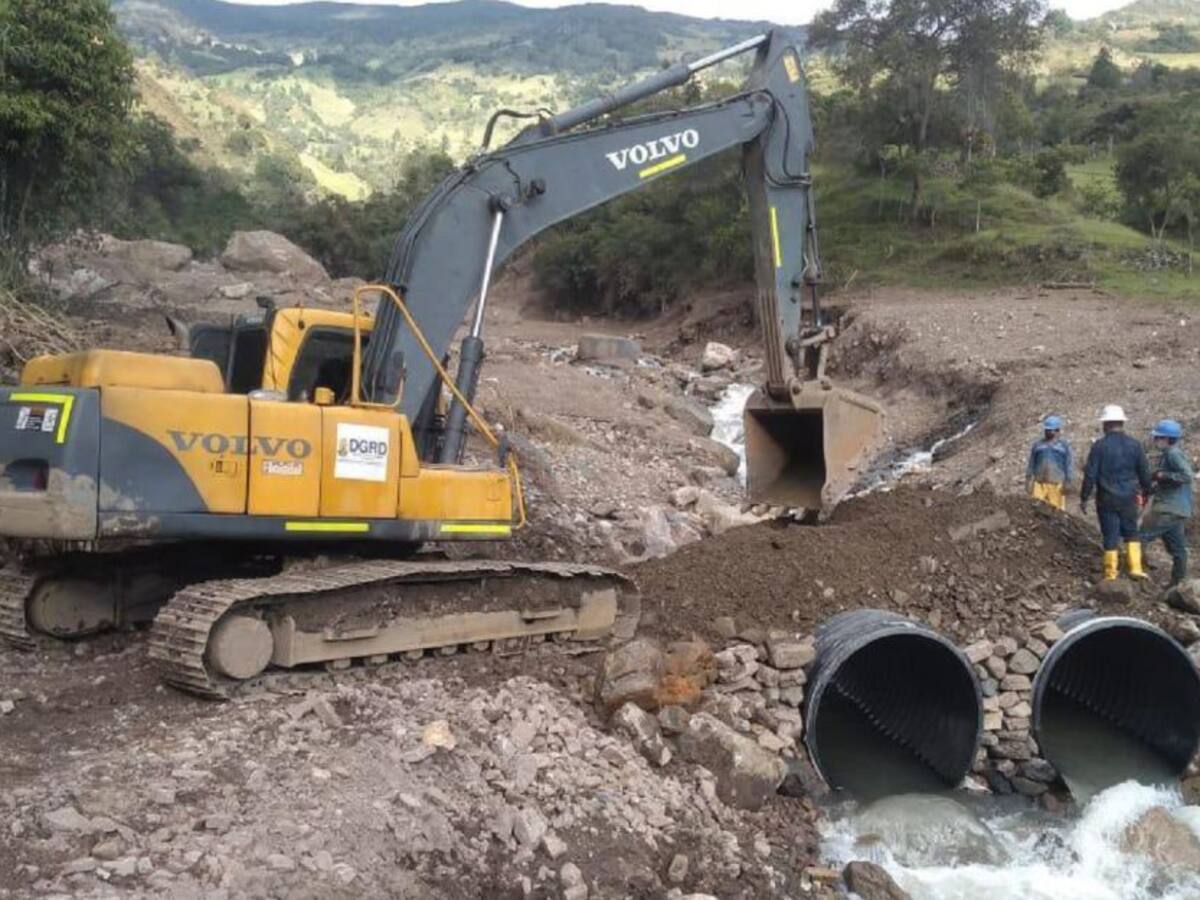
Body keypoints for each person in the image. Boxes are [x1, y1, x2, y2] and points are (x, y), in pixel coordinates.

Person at [1080, 404, 1153, 582]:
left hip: (1106, 499)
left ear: (1105, 424)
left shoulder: (1099, 446)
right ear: (1122, 422)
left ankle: (1111, 574)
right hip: (1129, 497)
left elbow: (1091, 474)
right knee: (1131, 532)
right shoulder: (1135, 445)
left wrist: (1084, 497)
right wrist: (1148, 491)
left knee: (1110, 535)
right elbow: (1144, 471)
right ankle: (1135, 568)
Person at [1140, 419, 1194, 588]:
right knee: (1178, 550)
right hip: (1178, 509)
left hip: (1167, 509)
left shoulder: (1173, 454)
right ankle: (1178, 585)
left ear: (1168, 439)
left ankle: (1133, 572)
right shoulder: (1169, 455)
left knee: (1140, 537)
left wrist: (1163, 476)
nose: (1156, 441)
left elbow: (1187, 476)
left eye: (1159, 438)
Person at [1026, 415, 1072, 511]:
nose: (1048, 432)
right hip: (1039, 484)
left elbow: (1068, 465)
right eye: (1046, 430)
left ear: (1057, 430)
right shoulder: (1038, 445)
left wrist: (1068, 482)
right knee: (1036, 510)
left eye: (1051, 430)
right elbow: (1031, 463)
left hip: (1056, 484)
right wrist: (1028, 479)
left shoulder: (1063, 447)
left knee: (1056, 512)